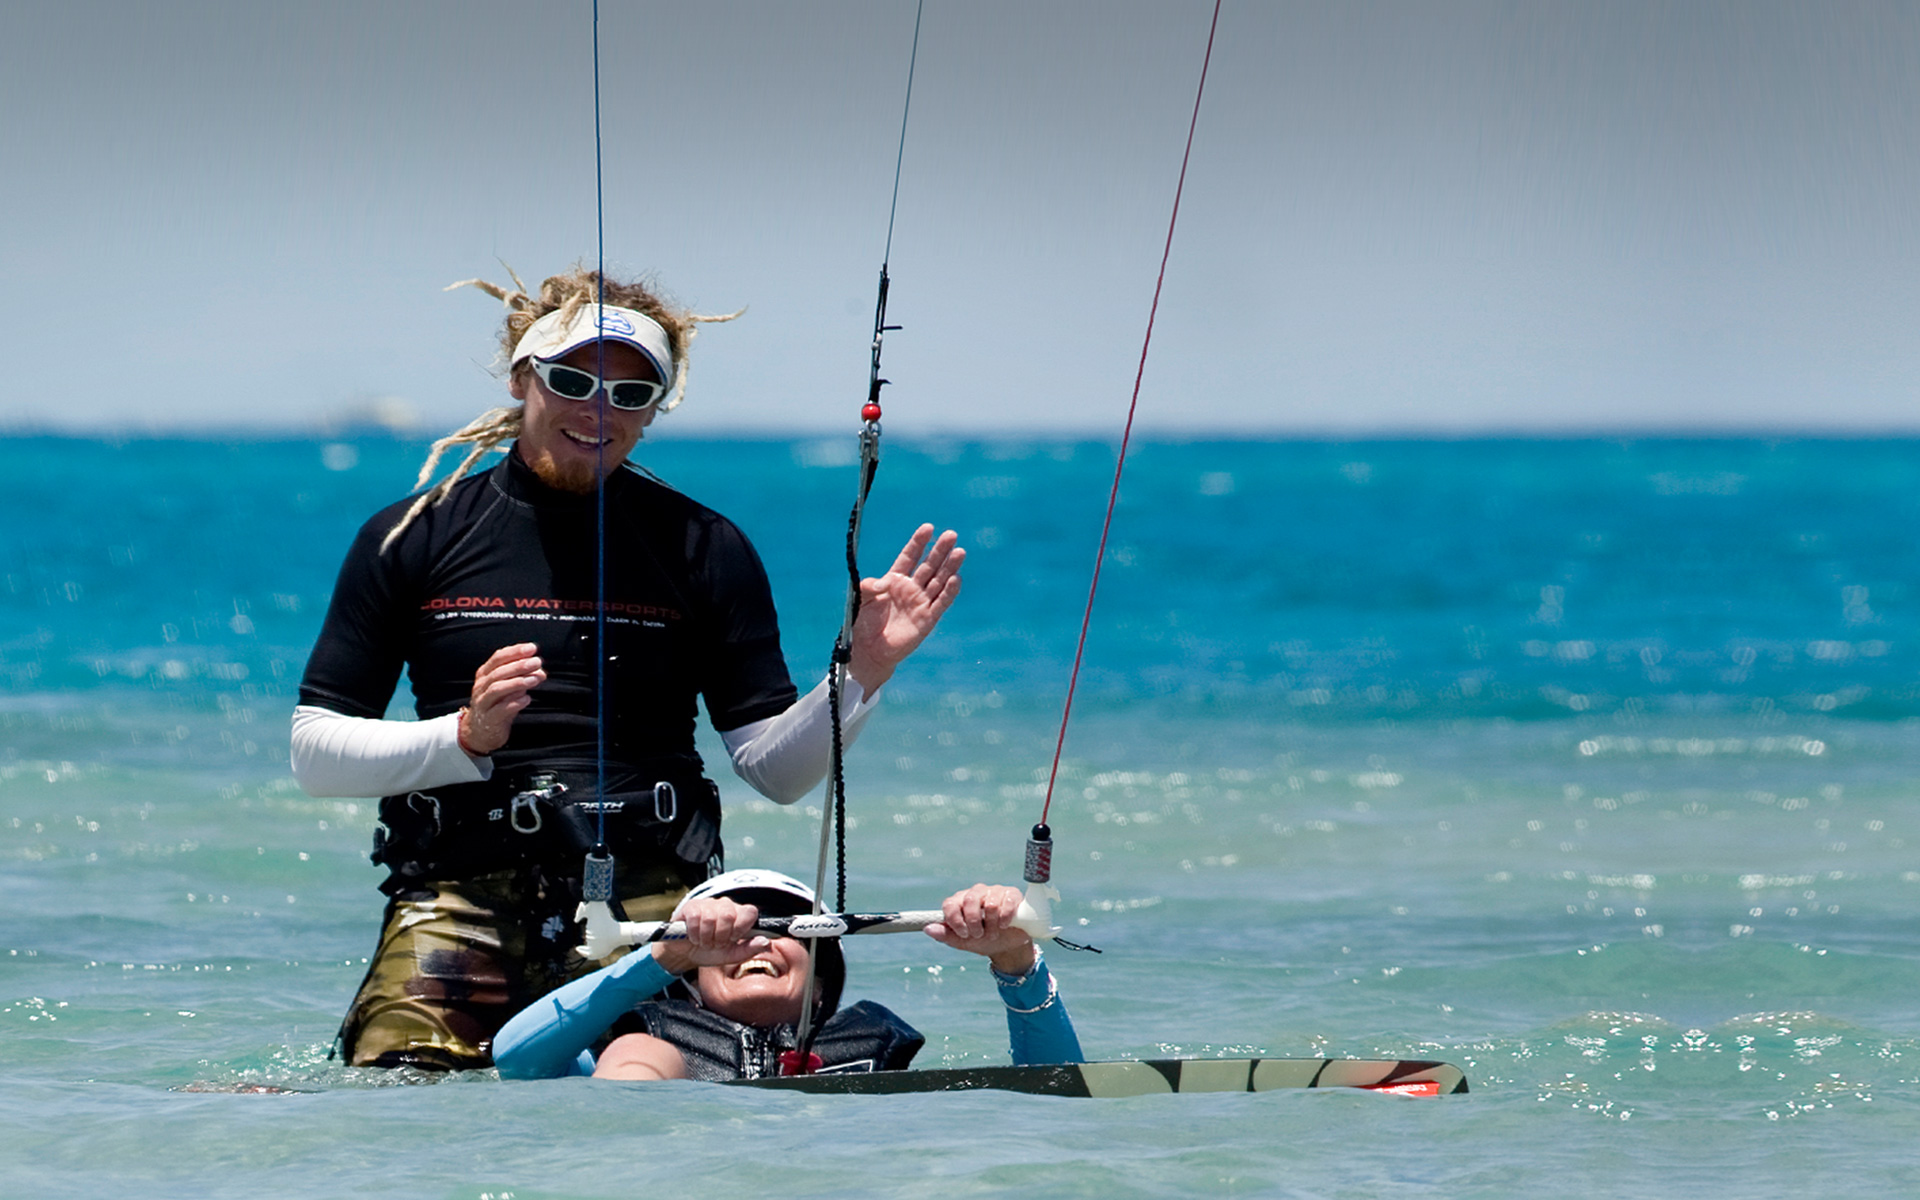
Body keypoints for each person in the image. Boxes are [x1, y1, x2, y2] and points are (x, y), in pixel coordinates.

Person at [292, 267, 964, 1070]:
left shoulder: (704, 546)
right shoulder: (414, 535)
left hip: (651, 901)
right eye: (573, 381)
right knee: (396, 1099)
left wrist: (861, 673)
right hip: (456, 890)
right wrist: (463, 738)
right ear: (522, 378)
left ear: (655, 410)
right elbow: (314, 754)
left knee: (642, 1102)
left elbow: (776, 772)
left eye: (631, 393)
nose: (598, 410)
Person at [493, 871, 1082, 1080]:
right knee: (636, 1054)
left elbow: (1052, 1088)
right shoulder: (643, 1046)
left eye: (785, 928)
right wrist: (663, 956)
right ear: (692, 983)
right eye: (730, 935)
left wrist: (1016, 964)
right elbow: (516, 1060)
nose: (757, 940)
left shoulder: (874, 1047)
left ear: (821, 983)